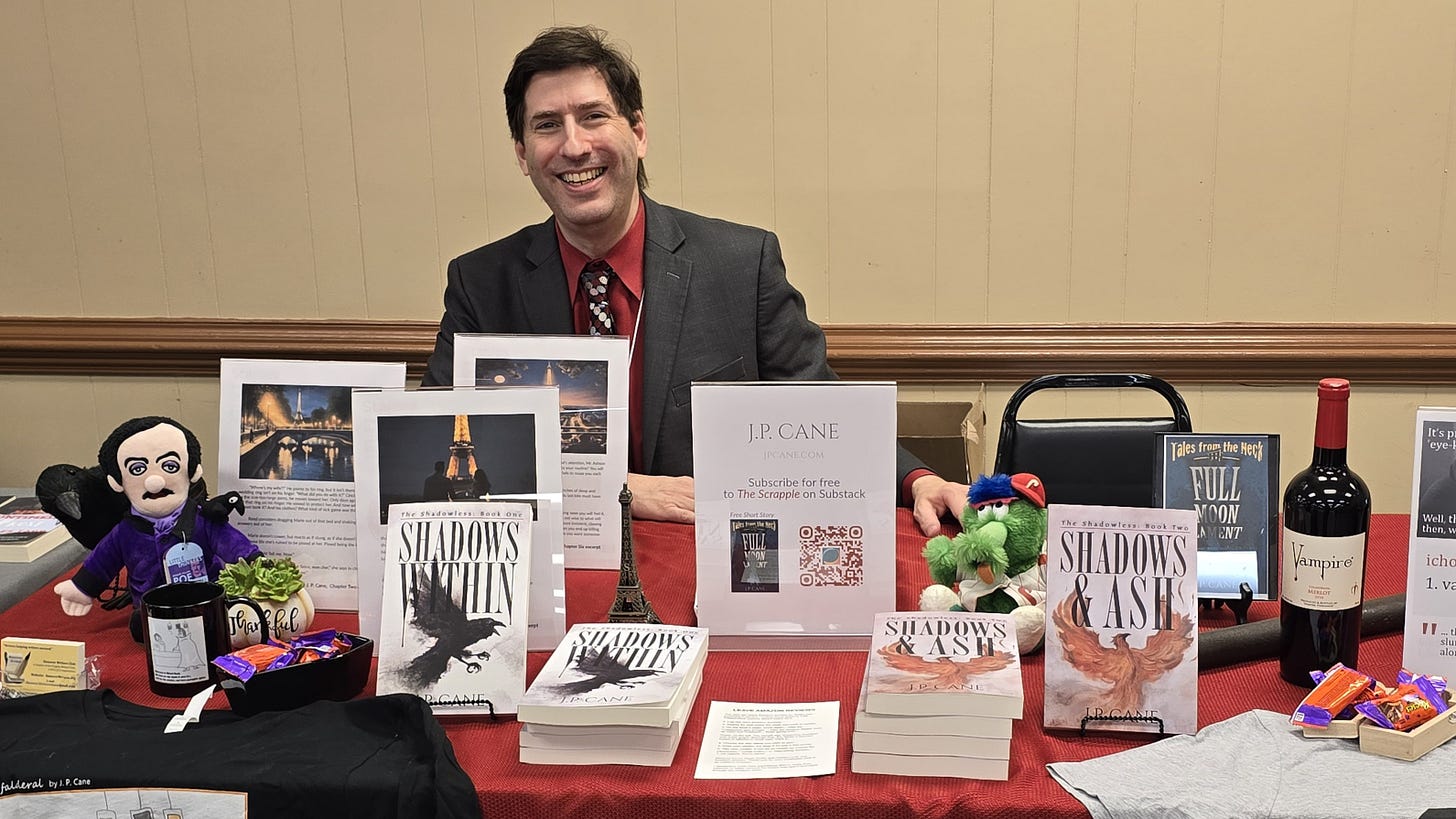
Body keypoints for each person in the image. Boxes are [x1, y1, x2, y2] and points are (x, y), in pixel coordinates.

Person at [421, 25, 967, 535]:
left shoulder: (742, 262)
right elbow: (439, 446)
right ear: (523, 155)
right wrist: (619, 490)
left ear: (637, 132)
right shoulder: (480, 283)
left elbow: (818, 411)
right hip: (553, 571)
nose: (574, 146)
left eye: (593, 117)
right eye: (546, 125)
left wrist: (918, 480)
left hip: (707, 564)